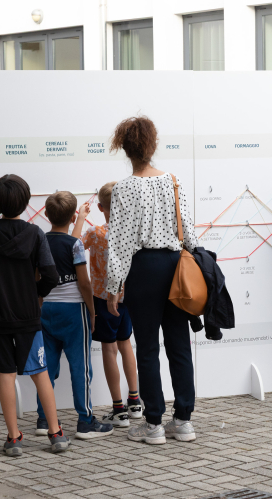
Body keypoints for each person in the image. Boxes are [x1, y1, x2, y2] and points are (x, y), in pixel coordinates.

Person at [0, 174, 69, 456]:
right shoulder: (35, 233)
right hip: (27, 315)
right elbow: (51, 275)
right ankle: (55, 434)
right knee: (40, 372)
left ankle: (14, 438)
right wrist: (35, 292)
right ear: (25, 201)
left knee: (6, 374)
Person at [106, 116, 198, 444]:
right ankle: (183, 421)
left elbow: (119, 242)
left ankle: (154, 424)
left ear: (124, 147)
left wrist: (113, 287)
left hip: (143, 269)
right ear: (153, 145)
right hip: (176, 266)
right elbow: (189, 231)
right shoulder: (173, 181)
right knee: (179, 345)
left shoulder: (124, 188)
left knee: (146, 348)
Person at [32, 191, 113, 439]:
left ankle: (44, 419)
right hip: (73, 311)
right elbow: (84, 283)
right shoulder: (75, 244)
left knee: (46, 367)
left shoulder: (39, 241)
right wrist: (92, 312)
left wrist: (40, 306)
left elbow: (36, 279)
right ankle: (85, 421)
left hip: (47, 310)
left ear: (47, 215)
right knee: (81, 367)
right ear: (72, 217)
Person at [73, 182, 141, 428]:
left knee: (109, 349)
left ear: (101, 207)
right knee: (126, 344)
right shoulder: (134, 232)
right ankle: (135, 402)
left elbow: (73, 246)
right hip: (128, 299)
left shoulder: (96, 233)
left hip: (103, 299)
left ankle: (119, 409)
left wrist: (81, 218)